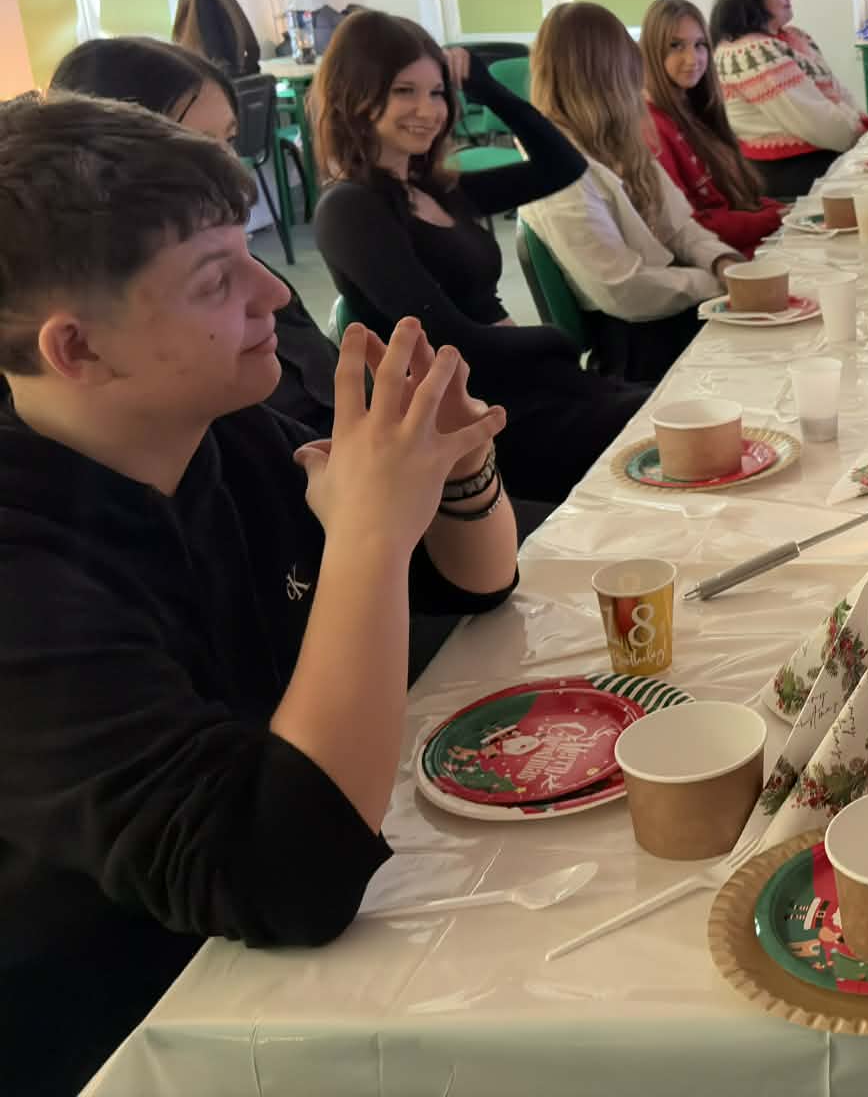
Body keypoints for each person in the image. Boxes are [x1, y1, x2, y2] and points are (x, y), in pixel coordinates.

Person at [0, 93, 517, 1097]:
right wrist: (369, 534)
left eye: (251, 254)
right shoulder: (26, 573)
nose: (274, 292)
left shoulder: (221, 432)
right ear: (78, 349)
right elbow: (291, 876)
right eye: (215, 279)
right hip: (131, 1031)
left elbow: (476, 582)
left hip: (278, 951)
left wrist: (452, 463)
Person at [311, 10, 644, 504]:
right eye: (404, 91)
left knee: (679, 405)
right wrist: (554, 340)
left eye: (437, 92)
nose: (428, 109)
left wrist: (486, 88)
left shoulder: (436, 190)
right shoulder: (349, 209)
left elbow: (563, 165)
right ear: (354, 95)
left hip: (524, 386)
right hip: (473, 423)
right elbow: (447, 340)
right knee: (662, 425)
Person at [48, 36, 340, 433]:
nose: (232, 175)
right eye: (195, 152)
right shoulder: (155, 362)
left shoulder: (251, 276)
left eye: (229, 142)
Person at [523, 1, 740, 383]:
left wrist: (723, 262)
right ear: (602, 77)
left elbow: (679, 228)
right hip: (636, 343)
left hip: (668, 311)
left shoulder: (616, 138)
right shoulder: (553, 167)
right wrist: (716, 284)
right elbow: (623, 290)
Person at [709, 0, 868, 198]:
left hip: (820, 158)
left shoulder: (795, 37)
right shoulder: (749, 53)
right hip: (787, 172)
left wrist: (861, 124)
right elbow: (823, 126)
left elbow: (839, 93)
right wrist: (859, 129)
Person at [642, 0, 785, 255]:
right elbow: (693, 228)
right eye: (676, 46)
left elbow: (737, 200)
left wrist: (781, 212)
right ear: (652, 52)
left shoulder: (696, 108)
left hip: (752, 243)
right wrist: (776, 217)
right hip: (725, 260)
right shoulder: (652, 128)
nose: (692, 59)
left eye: (699, 45)